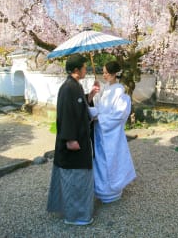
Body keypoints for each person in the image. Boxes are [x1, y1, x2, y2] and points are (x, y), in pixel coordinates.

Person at [47, 54, 97, 226]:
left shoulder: (74, 86)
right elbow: (66, 114)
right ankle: (75, 216)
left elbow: (79, 106)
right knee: (75, 178)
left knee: (79, 177)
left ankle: (78, 212)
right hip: (73, 142)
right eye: (84, 67)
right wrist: (70, 139)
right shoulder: (68, 88)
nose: (86, 69)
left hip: (80, 139)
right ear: (76, 70)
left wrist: (90, 95)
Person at [89, 61, 137, 204]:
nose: (104, 75)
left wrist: (99, 117)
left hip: (111, 133)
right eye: (103, 72)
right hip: (100, 132)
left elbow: (119, 115)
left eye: (107, 73)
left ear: (115, 74)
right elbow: (99, 106)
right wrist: (95, 94)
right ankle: (102, 189)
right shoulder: (106, 89)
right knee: (100, 160)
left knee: (111, 159)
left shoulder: (119, 91)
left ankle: (113, 189)